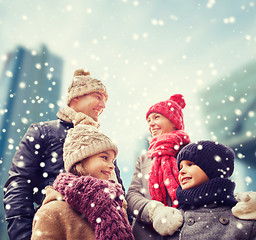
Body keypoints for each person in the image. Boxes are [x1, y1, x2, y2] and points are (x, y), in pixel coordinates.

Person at [3, 69, 124, 240]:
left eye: (105, 100)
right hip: (56, 230)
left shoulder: (103, 144)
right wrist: (24, 236)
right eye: (98, 97)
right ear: (76, 97)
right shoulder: (43, 131)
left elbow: (119, 192)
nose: (103, 105)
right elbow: (19, 184)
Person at [31, 123, 134, 240]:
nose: (112, 166)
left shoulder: (116, 206)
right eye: (104, 157)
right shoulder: (52, 213)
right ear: (80, 159)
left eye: (112, 160)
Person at [159, 140, 256, 240]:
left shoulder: (244, 217)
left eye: (190, 164)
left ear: (213, 169)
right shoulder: (173, 222)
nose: (182, 171)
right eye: (180, 167)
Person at [126, 94, 191, 239]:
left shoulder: (192, 153)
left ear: (174, 121)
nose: (151, 124)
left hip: (186, 231)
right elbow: (131, 196)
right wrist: (154, 211)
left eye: (156, 117)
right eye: (148, 120)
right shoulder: (144, 159)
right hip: (147, 234)